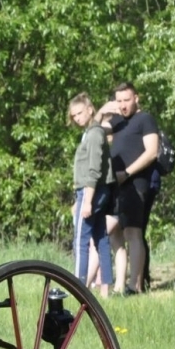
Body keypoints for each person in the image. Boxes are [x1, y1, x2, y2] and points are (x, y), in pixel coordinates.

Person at [98, 82, 160, 294]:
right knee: (113, 233)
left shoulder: (145, 119)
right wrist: (101, 112)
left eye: (127, 100)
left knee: (133, 231)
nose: (123, 105)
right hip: (115, 184)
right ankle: (117, 284)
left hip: (136, 182)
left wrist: (128, 173)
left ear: (136, 98)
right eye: (119, 101)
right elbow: (94, 132)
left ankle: (135, 285)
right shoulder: (116, 121)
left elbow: (152, 152)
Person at [68, 92, 113, 296]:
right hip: (94, 190)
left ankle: (78, 288)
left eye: (79, 113)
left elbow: (93, 170)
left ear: (89, 109)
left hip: (91, 190)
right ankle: (106, 290)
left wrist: (86, 201)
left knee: (81, 241)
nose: (77, 118)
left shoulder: (94, 134)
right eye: (74, 115)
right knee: (101, 237)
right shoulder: (91, 132)